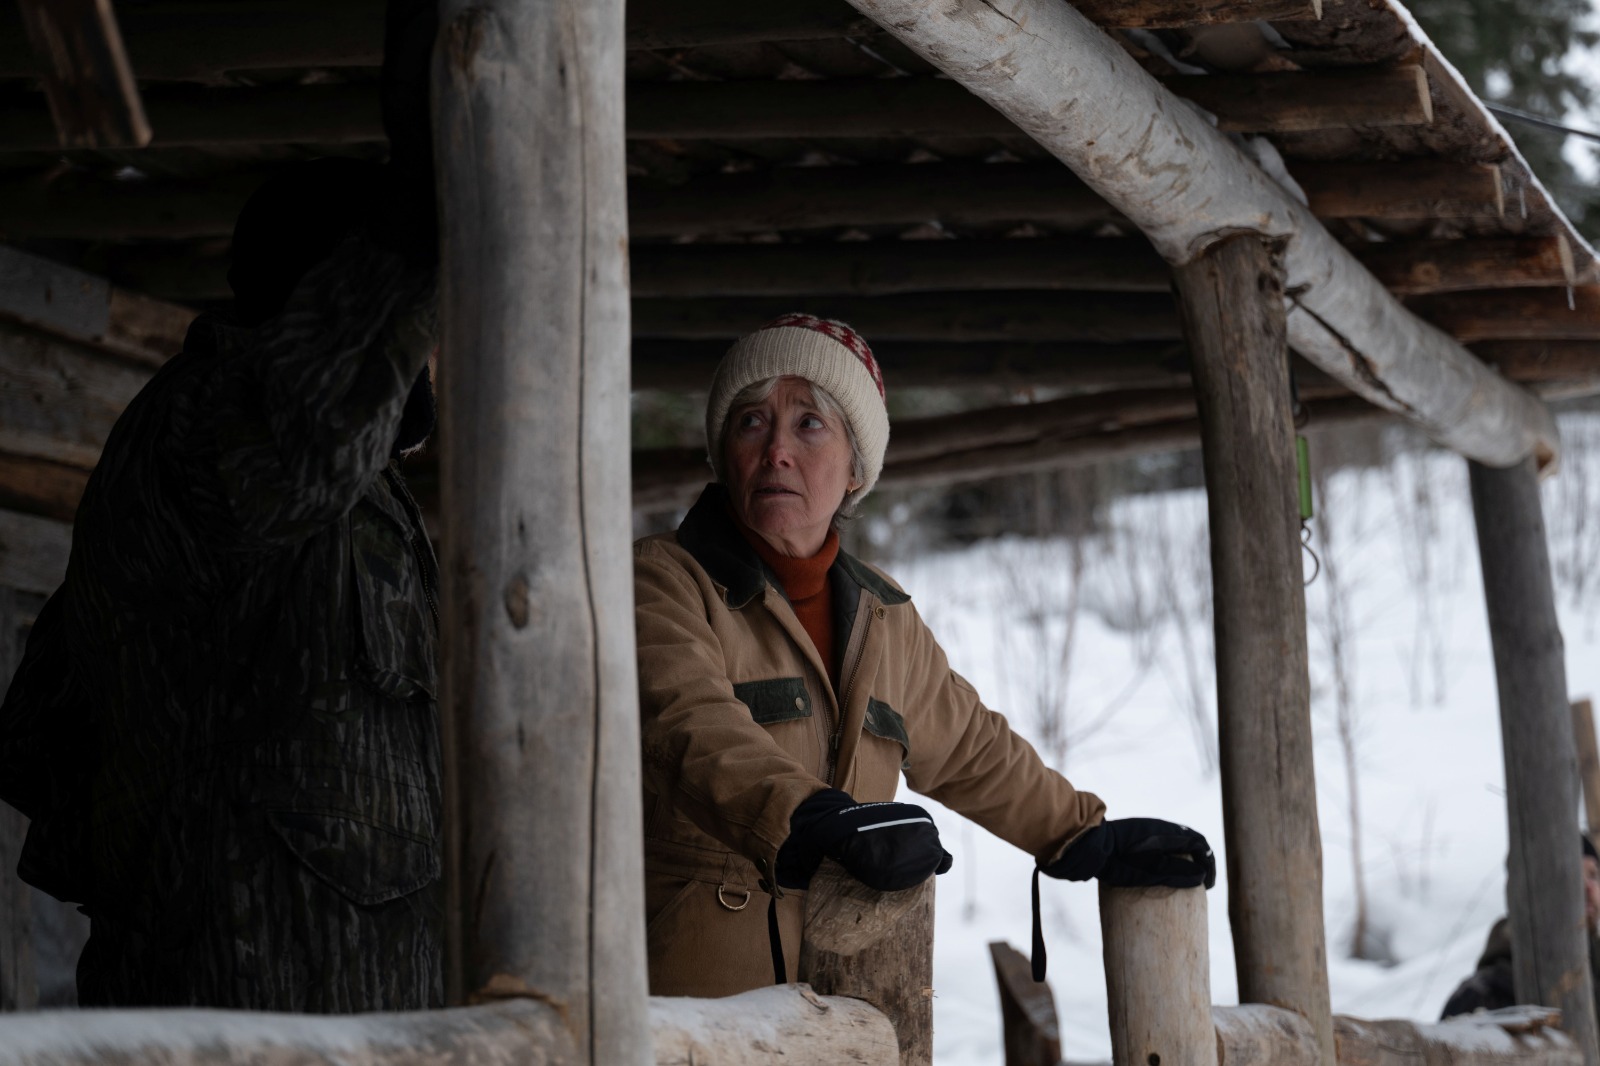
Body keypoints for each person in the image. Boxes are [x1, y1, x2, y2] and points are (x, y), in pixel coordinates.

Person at [0, 2, 444, 1011]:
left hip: (346, 996)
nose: (433, 349)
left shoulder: (313, 471)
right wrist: (420, 213)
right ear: (328, 312)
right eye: (412, 322)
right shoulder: (221, 428)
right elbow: (319, 426)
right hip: (251, 994)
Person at [633, 313, 1216, 995]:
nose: (776, 451)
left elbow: (970, 747)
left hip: (851, 994)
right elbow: (688, 727)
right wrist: (807, 818)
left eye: (809, 424)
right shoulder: (662, 582)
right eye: (751, 422)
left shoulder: (884, 615)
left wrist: (1082, 835)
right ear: (722, 451)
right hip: (693, 994)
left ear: (856, 467)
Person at [1441, 836, 1600, 1019]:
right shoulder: (1480, 997)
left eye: (1593, 875)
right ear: (1532, 886)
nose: (1588, 888)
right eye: (1571, 874)